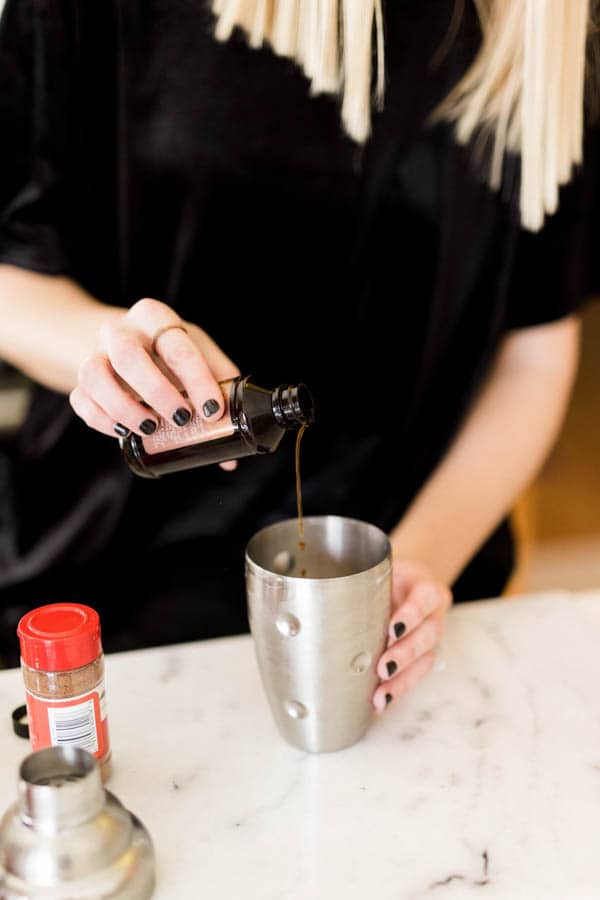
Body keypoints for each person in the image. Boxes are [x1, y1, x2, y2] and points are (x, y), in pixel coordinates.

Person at [0, 0, 595, 713]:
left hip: (406, 615)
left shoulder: (548, 27)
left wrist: (415, 565)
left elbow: (533, 350)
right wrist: (106, 349)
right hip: (110, 584)